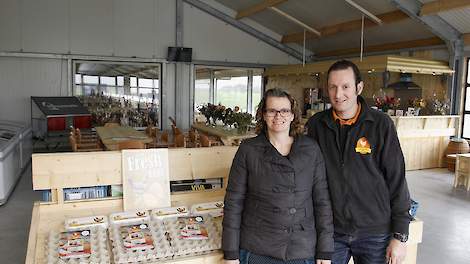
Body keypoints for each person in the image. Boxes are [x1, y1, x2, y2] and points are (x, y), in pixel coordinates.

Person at [306, 60, 411, 264]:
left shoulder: (381, 125)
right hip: (332, 233)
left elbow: (397, 179)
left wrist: (400, 235)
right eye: (332, 87)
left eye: (345, 87)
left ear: (359, 87)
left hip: (375, 232)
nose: (338, 94)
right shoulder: (316, 125)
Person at [222, 88, 334, 264]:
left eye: (284, 111)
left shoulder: (311, 149)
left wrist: (325, 250)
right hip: (258, 247)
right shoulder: (248, 150)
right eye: (272, 111)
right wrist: (230, 252)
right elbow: (233, 202)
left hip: (301, 248)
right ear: (263, 115)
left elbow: (322, 202)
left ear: (292, 115)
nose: (278, 116)